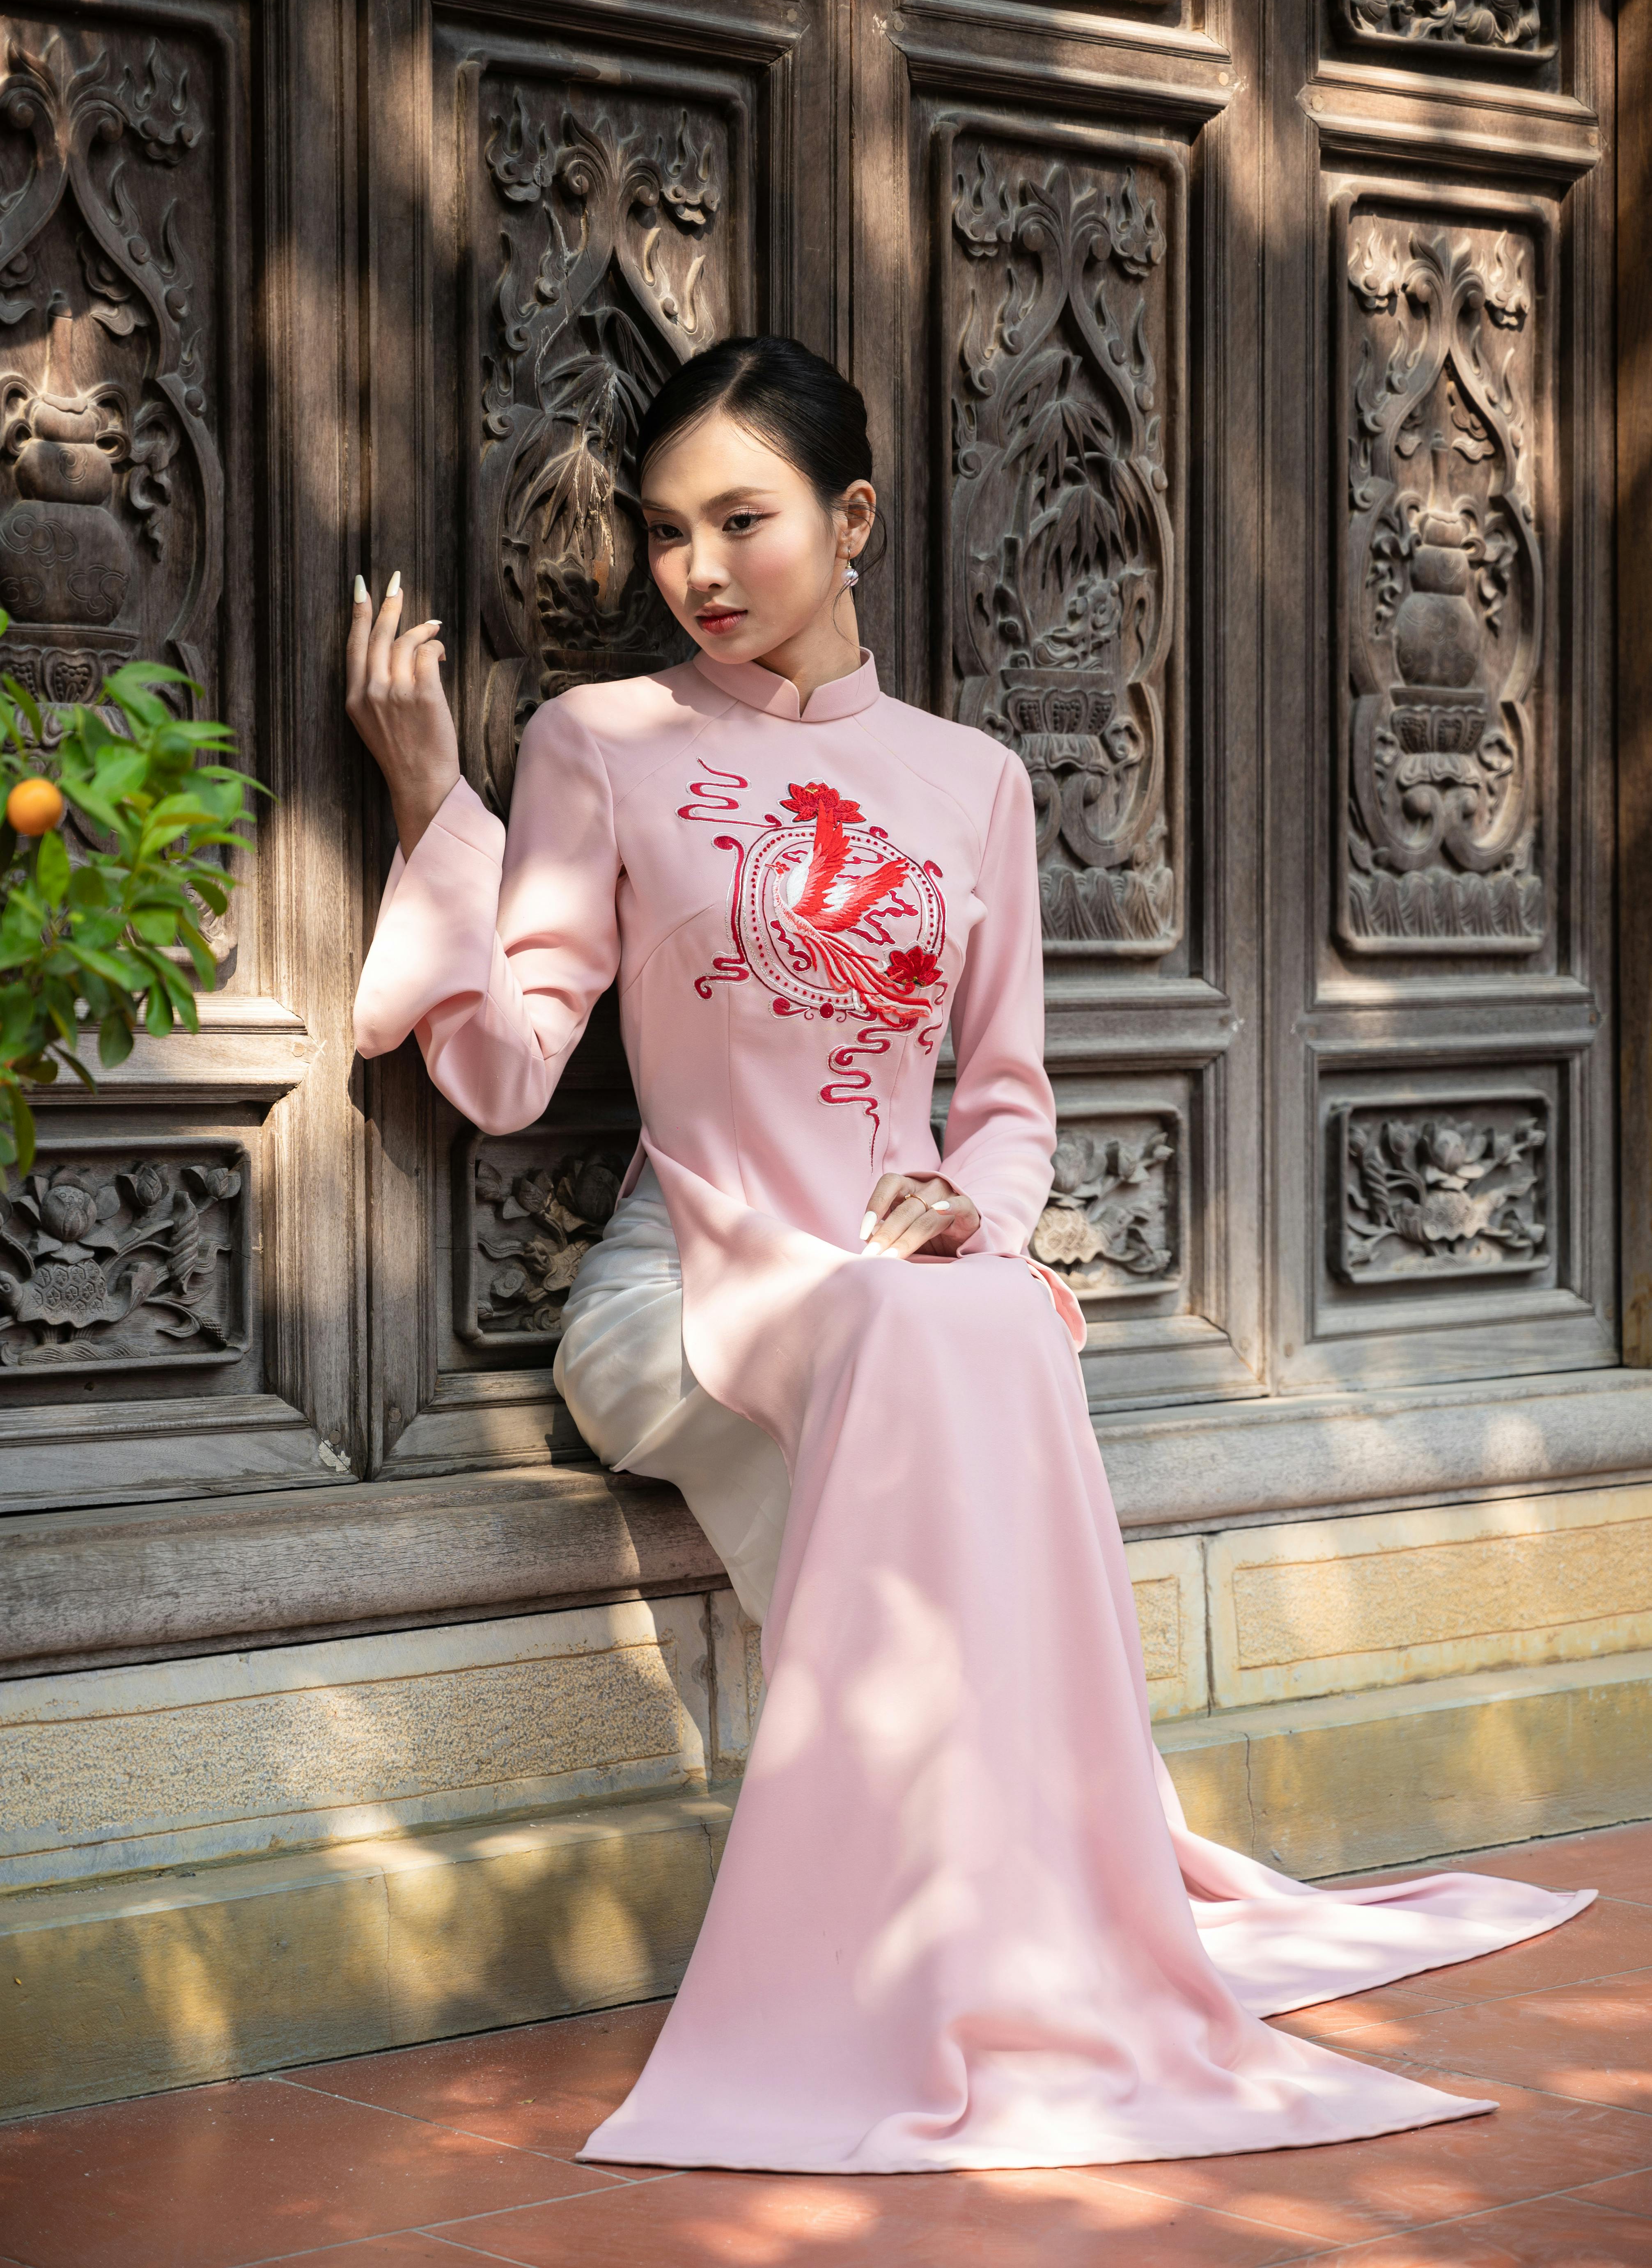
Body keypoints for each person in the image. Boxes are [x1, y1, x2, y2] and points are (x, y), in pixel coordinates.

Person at [347, 335, 1590, 2175]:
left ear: (849, 522)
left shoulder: (973, 785)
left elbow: (1004, 1098)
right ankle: (924, 1974)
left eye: (744, 521)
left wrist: (967, 1213)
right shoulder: (594, 745)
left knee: (981, 1312)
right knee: (950, 1342)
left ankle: (975, 1947)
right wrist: (423, 796)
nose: (697, 570)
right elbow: (509, 1071)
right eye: (669, 531)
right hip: (682, 1293)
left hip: (889, 1306)